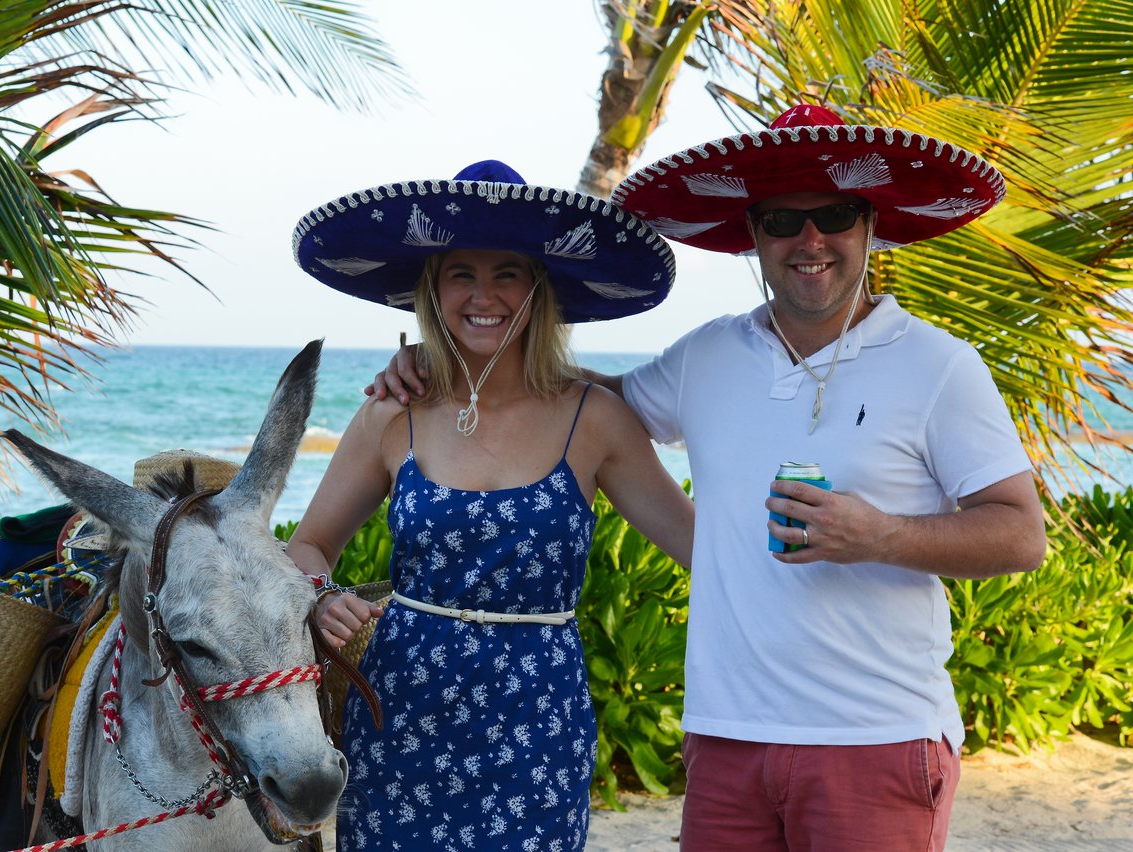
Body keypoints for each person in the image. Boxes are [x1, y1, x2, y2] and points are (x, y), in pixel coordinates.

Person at [370, 107, 1049, 850]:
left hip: (876, 735)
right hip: (725, 740)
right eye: (784, 220)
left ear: (870, 224)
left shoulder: (939, 366)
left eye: (834, 214)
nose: (810, 240)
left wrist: (877, 532)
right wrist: (440, 371)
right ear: (753, 235)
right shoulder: (709, 356)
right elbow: (570, 405)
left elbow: (1020, 534)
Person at [285, 159, 695, 851]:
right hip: (399, 717)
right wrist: (320, 599)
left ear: (539, 289)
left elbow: (710, 554)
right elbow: (309, 544)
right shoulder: (393, 414)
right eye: (461, 274)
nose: (485, 295)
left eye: (507, 272)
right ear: (431, 289)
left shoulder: (593, 418)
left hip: (538, 723)